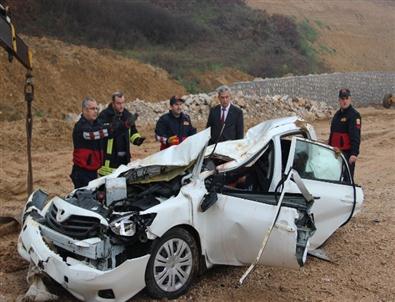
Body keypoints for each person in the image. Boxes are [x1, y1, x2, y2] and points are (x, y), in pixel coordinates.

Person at [97, 91, 145, 176]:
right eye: (118, 103)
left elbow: (133, 132)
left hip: (124, 158)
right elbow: (102, 132)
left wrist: (137, 139)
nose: (121, 106)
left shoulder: (127, 115)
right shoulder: (105, 115)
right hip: (109, 160)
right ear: (113, 103)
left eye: (123, 103)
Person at [70, 97, 108, 188]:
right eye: (92, 109)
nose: (95, 111)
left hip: (93, 171)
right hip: (82, 173)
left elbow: (106, 132)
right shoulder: (81, 126)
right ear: (84, 110)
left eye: (96, 108)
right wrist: (111, 129)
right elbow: (93, 134)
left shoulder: (96, 124)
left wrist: (123, 126)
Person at [329, 88, 361, 179]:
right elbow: (332, 134)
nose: (345, 101)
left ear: (350, 99)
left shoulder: (354, 115)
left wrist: (354, 154)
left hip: (347, 154)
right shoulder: (337, 115)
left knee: (347, 181)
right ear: (339, 100)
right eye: (342, 99)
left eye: (347, 98)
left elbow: (356, 136)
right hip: (335, 153)